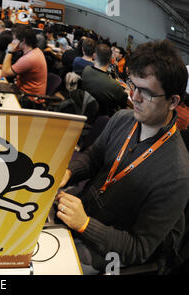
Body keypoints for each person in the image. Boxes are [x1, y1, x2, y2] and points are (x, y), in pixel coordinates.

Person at [57, 39, 189, 274]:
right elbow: (93, 158)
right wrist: (69, 173)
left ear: (173, 101)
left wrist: (85, 225)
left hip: (107, 251)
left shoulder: (177, 175)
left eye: (146, 92)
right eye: (132, 85)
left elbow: (139, 249)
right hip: (82, 213)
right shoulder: (123, 119)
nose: (134, 97)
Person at [81, 44, 128, 117]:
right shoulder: (114, 85)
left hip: (82, 109)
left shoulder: (86, 69)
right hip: (102, 119)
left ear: (94, 56)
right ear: (110, 60)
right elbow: (123, 104)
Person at [1, 25, 47, 96]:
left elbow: (5, 73)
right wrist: (2, 66)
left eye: (14, 39)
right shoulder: (35, 51)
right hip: (24, 92)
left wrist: (9, 52)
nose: (12, 42)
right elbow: (17, 68)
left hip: (29, 98)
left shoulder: (29, 58)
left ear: (23, 40)